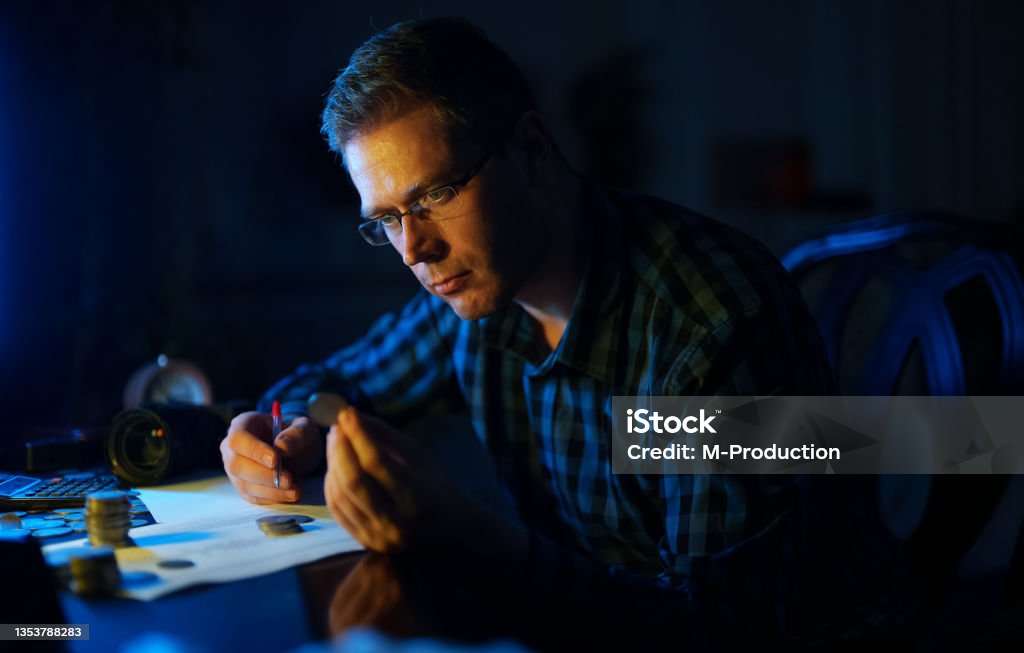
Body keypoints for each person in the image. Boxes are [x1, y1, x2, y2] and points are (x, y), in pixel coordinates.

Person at [219, 16, 839, 643]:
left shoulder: (710, 326)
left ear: (533, 151)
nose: (414, 249)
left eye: (435, 194)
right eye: (386, 219)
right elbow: (336, 382)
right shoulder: (474, 289)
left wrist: (467, 532)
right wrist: (285, 430)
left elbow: (722, 632)